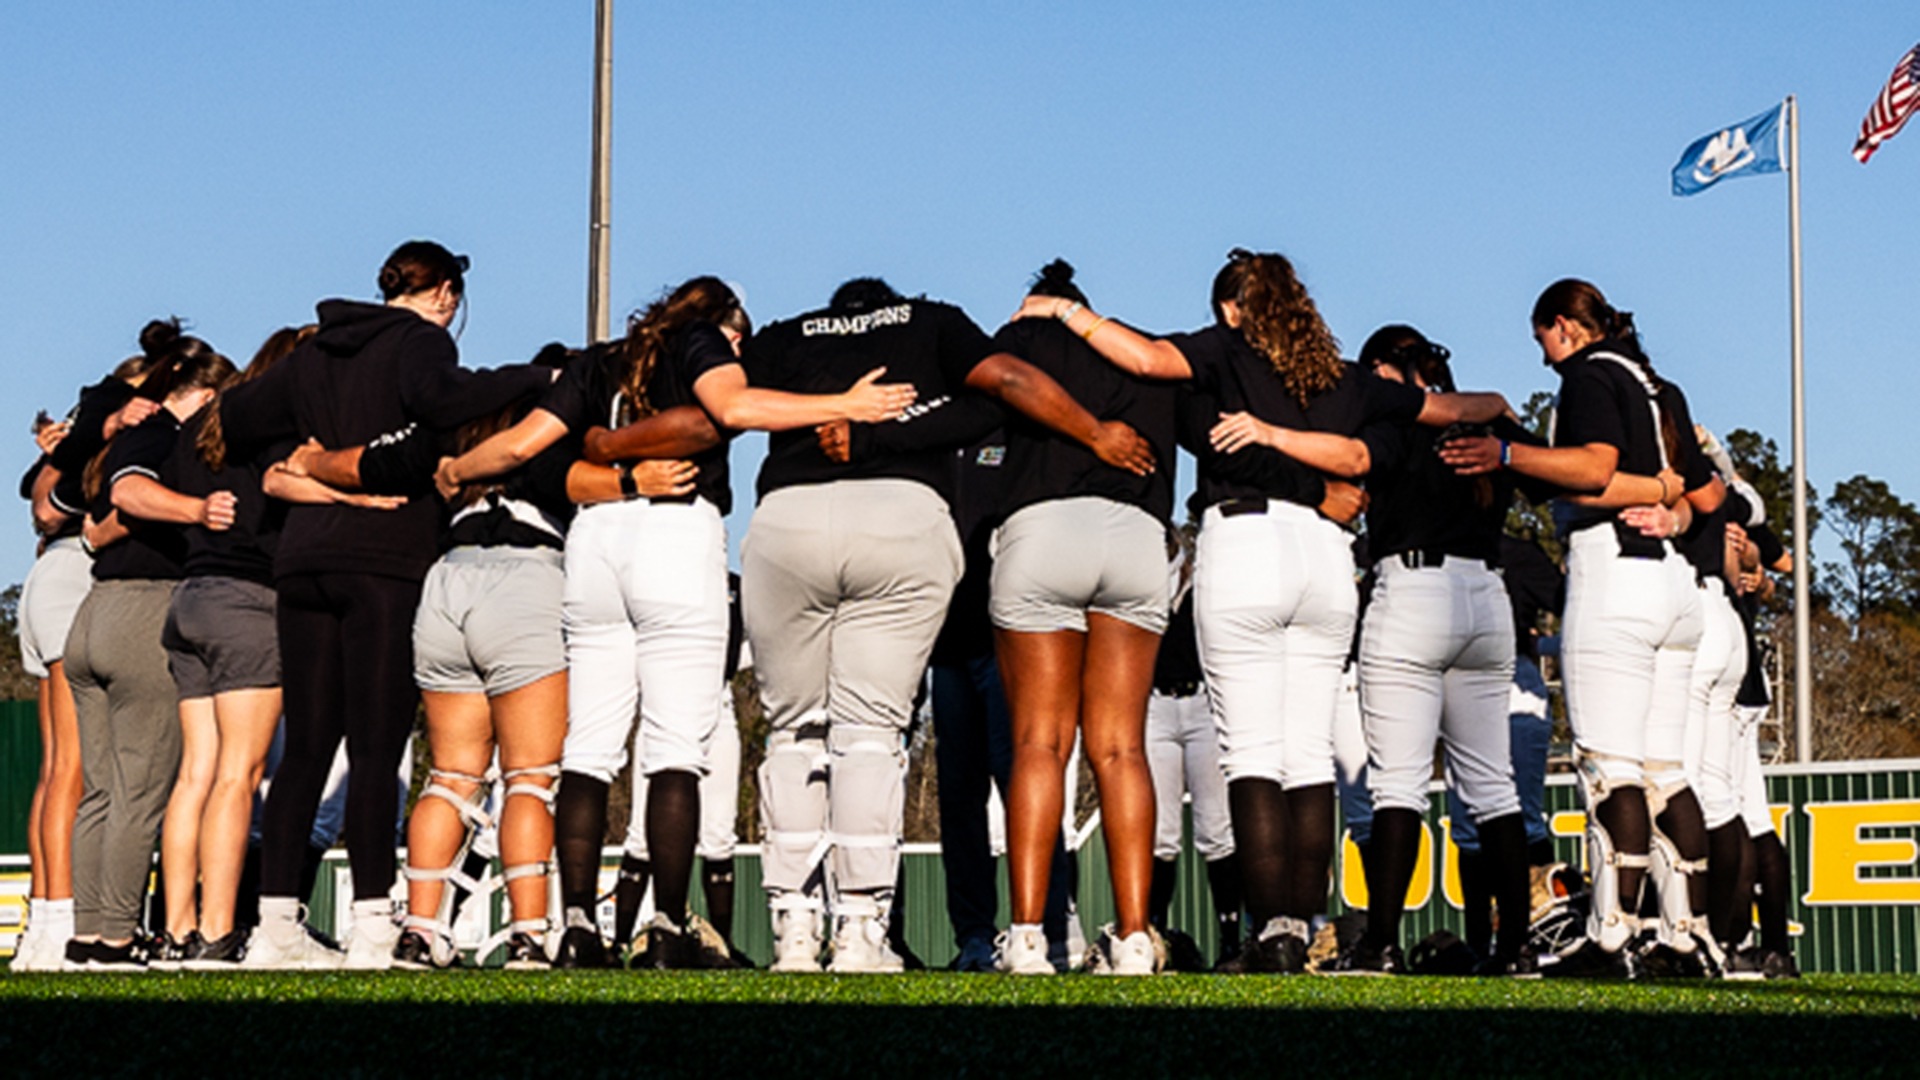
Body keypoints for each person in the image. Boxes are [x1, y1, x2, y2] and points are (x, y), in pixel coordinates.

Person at [1014, 249, 1510, 973]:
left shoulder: (1225, 348)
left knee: (1251, 751)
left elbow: (1147, 359)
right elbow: (1462, 406)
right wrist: (1494, 419)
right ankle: (1302, 928)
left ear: (1231, 309)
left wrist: (1066, 310)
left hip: (1247, 544)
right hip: (1325, 557)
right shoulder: (1344, 377)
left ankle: (1271, 932)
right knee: (1307, 752)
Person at [440, 275, 906, 969]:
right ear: (721, 321)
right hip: (675, 538)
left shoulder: (603, 358)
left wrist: (455, 468)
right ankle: (664, 925)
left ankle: (575, 927)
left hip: (597, 541)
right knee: (675, 750)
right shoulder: (700, 343)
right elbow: (734, 405)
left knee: (590, 748)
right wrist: (847, 404)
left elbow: (519, 448)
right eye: (739, 332)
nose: (741, 345)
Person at [219, 241, 555, 969]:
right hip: (384, 560)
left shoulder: (311, 355)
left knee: (307, 747)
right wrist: (542, 376)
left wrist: (309, 468)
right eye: (453, 297)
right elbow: (446, 400)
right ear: (443, 293)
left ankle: (276, 925)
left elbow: (237, 418)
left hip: (303, 560)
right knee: (376, 747)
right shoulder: (417, 342)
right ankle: (374, 922)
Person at [1441, 278, 1721, 978]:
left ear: (1565, 326)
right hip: (1674, 580)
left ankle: (1610, 937)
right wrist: (1667, 502)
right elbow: (1702, 491)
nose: (1543, 358)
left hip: (1615, 576)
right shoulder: (1661, 384)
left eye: (1542, 339)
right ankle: (1689, 938)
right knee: (1667, 773)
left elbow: (1593, 470)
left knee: (1611, 770)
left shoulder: (1591, 373)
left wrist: (1507, 456)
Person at [1331, 325, 1542, 976]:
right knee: (1494, 790)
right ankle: (1515, 947)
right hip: (1485, 594)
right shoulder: (1487, 422)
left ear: (1386, 370)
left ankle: (1380, 944)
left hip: (1414, 591)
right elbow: (1545, 472)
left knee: (1398, 783)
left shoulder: (1395, 424)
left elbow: (1352, 469)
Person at [64, 320, 235, 969]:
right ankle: (115, 935)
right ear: (204, 392)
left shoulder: (128, 433)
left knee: (101, 791)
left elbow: (96, 523)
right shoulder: (161, 436)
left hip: (95, 612)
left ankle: (86, 932)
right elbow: (128, 494)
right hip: (142, 611)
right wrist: (198, 511)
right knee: (140, 790)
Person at [9, 359, 161, 971]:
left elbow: (37, 503)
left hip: (48, 579)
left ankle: (44, 923)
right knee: (78, 769)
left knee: (57, 769)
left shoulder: (77, 439)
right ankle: (65, 923)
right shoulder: (111, 439)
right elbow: (49, 508)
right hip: (76, 576)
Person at [1145, 531, 1244, 969]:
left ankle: (1230, 940)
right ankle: (1152, 935)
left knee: (1216, 828)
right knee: (1159, 831)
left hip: (1204, 703)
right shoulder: (1142, 584)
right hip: (1153, 706)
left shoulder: (1203, 579)